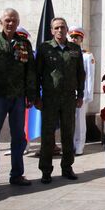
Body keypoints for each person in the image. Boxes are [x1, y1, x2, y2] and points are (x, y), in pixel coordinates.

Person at [0, 8, 36, 193]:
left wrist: (31, 95)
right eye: (7, 20)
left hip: (18, 97)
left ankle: (17, 174)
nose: (10, 23)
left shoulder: (24, 43)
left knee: (19, 137)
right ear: (0, 21)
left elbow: (30, 72)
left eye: (14, 20)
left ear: (18, 23)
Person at [35, 17, 85, 183]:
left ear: (67, 29)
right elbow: (37, 74)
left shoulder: (75, 49)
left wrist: (81, 95)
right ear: (51, 30)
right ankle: (46, 171)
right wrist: (36, 96)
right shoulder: (44, 48)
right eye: (56, 28)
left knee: (68, 133)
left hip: (69, 98)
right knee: (48, 134)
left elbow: (80, 74)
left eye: (62, 27)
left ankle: (67, 167)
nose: (59, 30)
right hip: (50, 98)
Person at [68, 26, 95, 156]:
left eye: (76, 37)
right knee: (70, 119)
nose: (73, 39)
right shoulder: (68, 53)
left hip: (81, 93)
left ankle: (79, 145)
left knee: (79, 120)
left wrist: (87, 94)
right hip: (68, 93)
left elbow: (90, 76)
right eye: (72, 37)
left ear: (81, 39)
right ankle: (71, 143)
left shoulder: (86, 56)